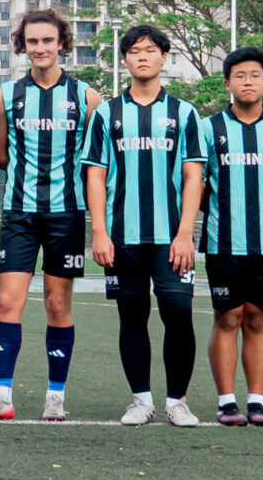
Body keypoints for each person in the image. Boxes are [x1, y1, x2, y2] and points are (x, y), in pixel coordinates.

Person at [0, 8, 102, 421]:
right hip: (19, 214)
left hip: (67, 214)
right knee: (6, 301)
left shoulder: (86, 98)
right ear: (22, 45)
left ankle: (55, 397)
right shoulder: (5, 96)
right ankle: (1, 396)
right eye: (32, 41)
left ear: (62, 43)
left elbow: (95, 162)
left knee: (57, 305)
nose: (40, 48)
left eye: (48, 40)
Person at [83, 25, 207, 426]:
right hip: (123, 236)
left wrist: (186, 232)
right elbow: (96, 176)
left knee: (178, 310)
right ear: (125, 60)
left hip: (171, 235)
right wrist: (99, 232)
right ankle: (141, 400)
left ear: (164, 58)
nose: (142, 56)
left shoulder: (184, 113)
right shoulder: (107, 114)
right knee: (132, 315)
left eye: (150, 50)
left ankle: (177, 402)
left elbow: (193, 176)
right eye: (135, 51)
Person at [199, 46, 263, 427]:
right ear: (227, 83)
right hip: (223, 240)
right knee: (228, 316)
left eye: (255, 75)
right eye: (240, 76)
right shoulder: (209, 128)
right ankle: (227, 402)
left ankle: (257, 401)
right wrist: (221, 207)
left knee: (257, 318)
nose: (248, 81)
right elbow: (196, 183)